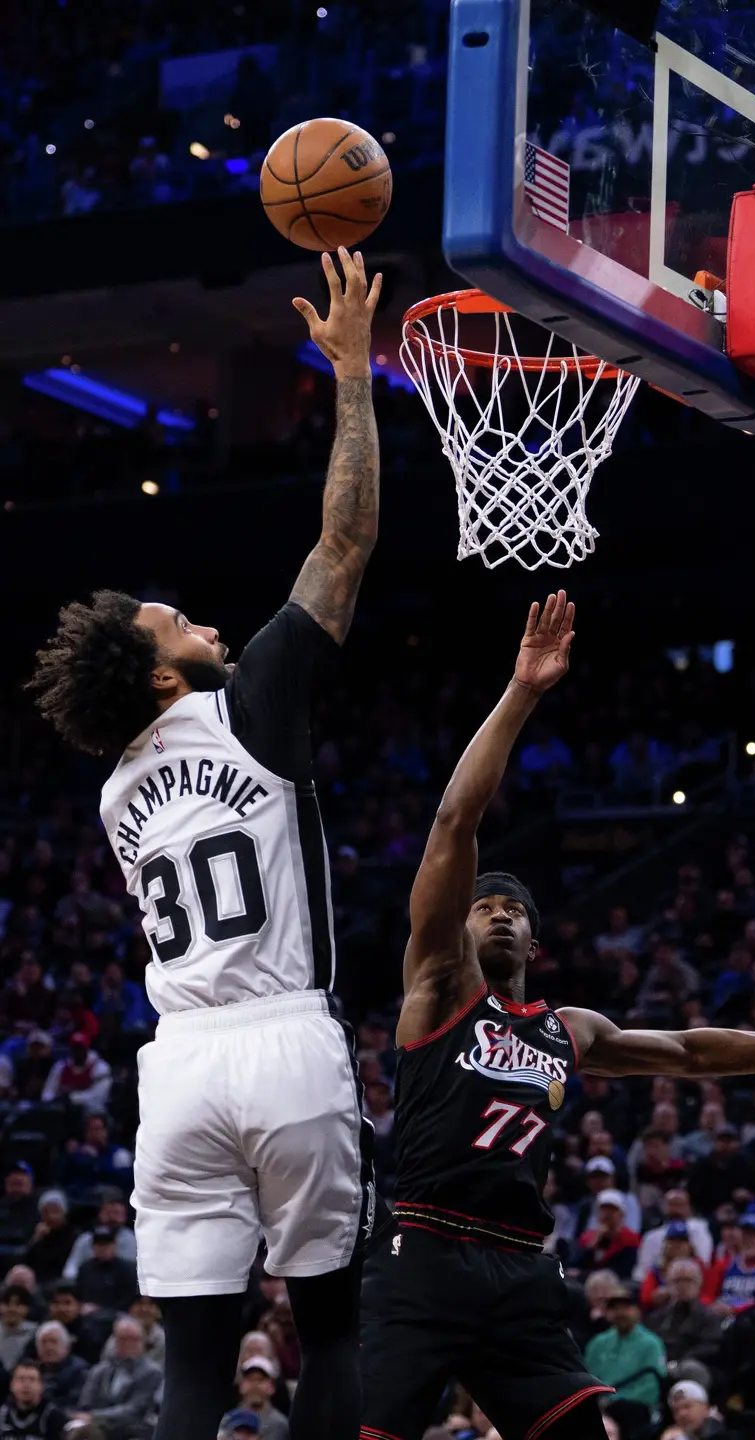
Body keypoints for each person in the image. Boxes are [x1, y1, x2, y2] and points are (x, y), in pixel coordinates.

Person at [359, 594, 755, 1440]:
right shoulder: (439, 985)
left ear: (536, 945)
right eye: (486, 907)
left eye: (515, 909)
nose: (501, 912)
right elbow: (452, 823)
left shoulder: (566, 1030)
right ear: (460, 931)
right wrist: (523, 689)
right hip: (426, 1253)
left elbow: (694, 1052)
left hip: (518, 1268)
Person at [27, 249, 383, 1440]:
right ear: (157, 666)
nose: (207, 618)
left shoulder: (112, 797)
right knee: (330, 1327)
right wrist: (352, 378)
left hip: (175, 1067)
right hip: (282, 1039)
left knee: (193, 1364)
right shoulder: (249, 708)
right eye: (181, 619)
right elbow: (341, 546)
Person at [584, 1287, 666, 1436]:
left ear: (637, 1310)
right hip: (599, 1407)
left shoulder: (651, 1344)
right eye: (614, 1308)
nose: (620, 1313)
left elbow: (651, 1389)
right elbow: (586, 1378)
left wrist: (614, 1400)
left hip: (634, 1410)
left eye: (626, 1307)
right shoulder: (597, 1343)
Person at [74, 1316, 162, 1438]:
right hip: (95, 1425)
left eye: (133, 1339)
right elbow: (85, 1403)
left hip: (132, 1428)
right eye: (122, 1339)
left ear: (143, 1342)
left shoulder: (152, 1372)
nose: (127, 1344)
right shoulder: (100, 1370)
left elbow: (134, 1409)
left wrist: (94, 1416)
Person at [222, 1357, 290, 1440]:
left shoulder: (278, 1425)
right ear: (240, 1385)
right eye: (249, 1379)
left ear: (272, 1386)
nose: (255, 1385)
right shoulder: (229, 1418)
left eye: (260, 1379)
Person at [0, 1359, 67, 1440]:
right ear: (11, 1385)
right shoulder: (2, 1414)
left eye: (32, 1379)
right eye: (21, 1379)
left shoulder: (54, 1418)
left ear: (41, 1386)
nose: (26, 1385)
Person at [74, 1229, 138, 1313]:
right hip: (87, 1314)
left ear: (114, 1246)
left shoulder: (127, 1270)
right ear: (93, 1247)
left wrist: (101, 1309)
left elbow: (128, 1299)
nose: (103, 1248)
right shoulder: (85, 1269)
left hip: (118, 1315)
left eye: (106, 1244)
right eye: (99, 1245)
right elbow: (79, 1294)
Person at [34, 1322, 88, 1409]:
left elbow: (75, 1404)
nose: (48, 1347)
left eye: (53, 1342)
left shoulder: (79, 1370)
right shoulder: (33, 1369)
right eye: (44, 1342)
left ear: (66, 1347)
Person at [0, 1287, 37, 1373]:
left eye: (18, 1304)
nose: (12, 1309)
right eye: (7, 1304)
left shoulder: (36, 1333)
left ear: (27, 1308)